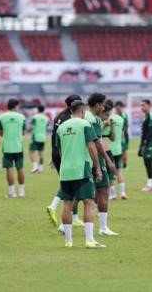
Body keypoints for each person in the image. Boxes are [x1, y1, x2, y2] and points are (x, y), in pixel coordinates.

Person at [56, 99, 104, 248]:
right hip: (81, 169)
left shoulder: (61, 128)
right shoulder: (85, 124)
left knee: (67, 205)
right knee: (89, 203)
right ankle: (89, 240)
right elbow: (91, 147)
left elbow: (59, 151)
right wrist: (97, 167)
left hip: (65, 171)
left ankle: (68, 242)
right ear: (83, 111)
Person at [46, 94, 83, 230]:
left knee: (70, 185)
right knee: (72, 187)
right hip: (67, 155)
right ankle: (55, 208)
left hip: (58, 154)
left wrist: (54, 155)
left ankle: (74, 217)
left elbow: (55, 137)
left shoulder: (59, 117)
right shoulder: (70, 120)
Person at [86, 92, 117, 236]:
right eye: (103, 104)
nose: (104, 107)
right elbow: (97, 143)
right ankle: (103, 228)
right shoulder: (94, 120)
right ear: (98, 105)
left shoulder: (84, 116)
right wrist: (108, 161)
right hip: (96, 159)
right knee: (103, 191)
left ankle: (65, 223)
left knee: (80, 193)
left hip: (84, 160)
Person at [0, 98, 27, 198]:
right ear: (16, 106)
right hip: (18, 146)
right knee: (20, 168)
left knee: (9, 169)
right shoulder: (22, 117)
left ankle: (12, 192)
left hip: (7, 147)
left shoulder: (2, 117)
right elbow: (23, 132)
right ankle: (22, 192)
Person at [108, 102, 127, 200]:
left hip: (109, 149)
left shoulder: (107, 119)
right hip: (118, 148)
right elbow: (122, 133)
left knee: (109, 173)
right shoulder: (120, 119)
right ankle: (123, 193)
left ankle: (113, 194)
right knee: (119, 171)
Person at [139, 99, 152, 192]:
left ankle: (150, 185)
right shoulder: (146, 116)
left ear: (149, 105)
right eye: (141, 105)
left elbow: (151, 131)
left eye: (143, 105)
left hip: (150, 143)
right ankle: (151, 183)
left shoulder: (151, 115)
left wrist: (145, 143)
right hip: (146, 142)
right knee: (146, 162)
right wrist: (141, 144)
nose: (142, 107)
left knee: (148, 162)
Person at [28, 105, 49, 174]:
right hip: (43, 137)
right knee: (41, 154)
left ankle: (35, 166)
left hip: (35, 137)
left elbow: (31, 126)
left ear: (37, 109)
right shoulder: (46, 118)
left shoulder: (35, 117)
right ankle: (41, 168)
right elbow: (46, 127)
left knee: (30, 152)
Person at [114, 101, 130, 169]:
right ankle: (118, 164)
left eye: (119, 108)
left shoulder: (124, 115)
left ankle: (125, 165)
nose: (117, 110)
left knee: (123, 150)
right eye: (116, 108)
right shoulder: (115, 115)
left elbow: (126, 126)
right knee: (118, 150)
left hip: (123, 135)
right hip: (117, 135)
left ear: (121, 108)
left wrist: (122, 133)